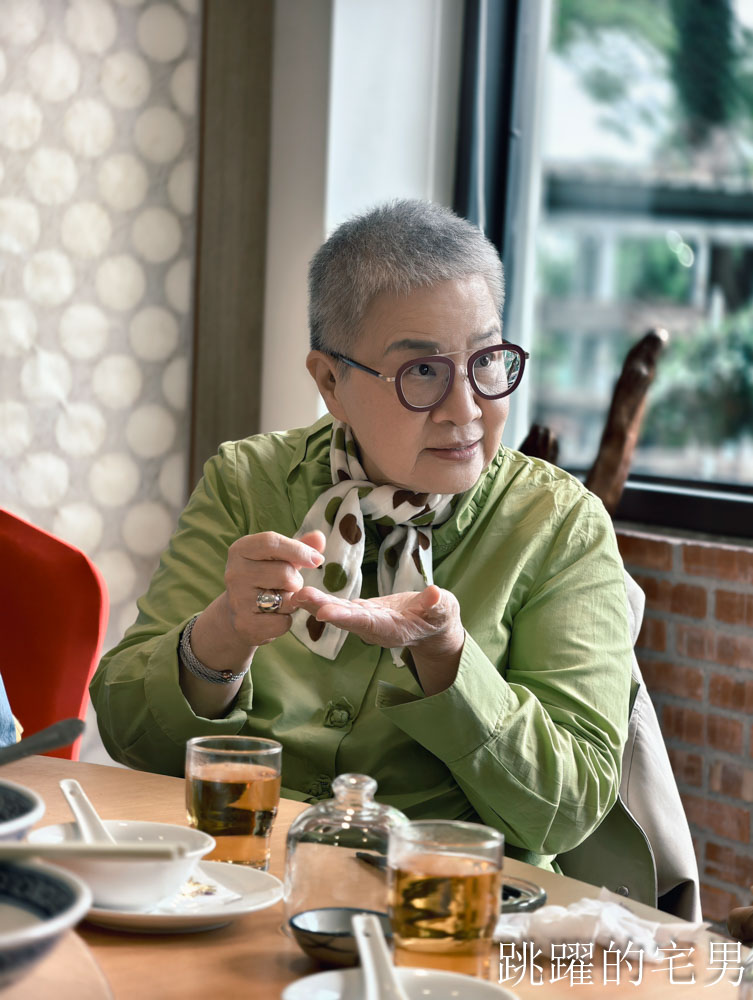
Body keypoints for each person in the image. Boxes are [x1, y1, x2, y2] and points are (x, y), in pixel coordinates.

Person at [90, 199, 633, 871]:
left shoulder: (557, 526)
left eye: (487, 361)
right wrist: (224, 633)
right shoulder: (248, 482)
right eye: (423, 372)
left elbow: (569, 809)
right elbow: (126, 734)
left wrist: (447, 662)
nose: (465, 411)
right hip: (241, 878)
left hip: (443, 911)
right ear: (330, 382)